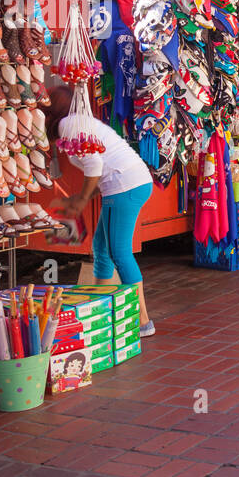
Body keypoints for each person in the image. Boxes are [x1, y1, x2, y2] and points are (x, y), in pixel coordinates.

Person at [45, 86, 157, 336]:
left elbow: (95, 164)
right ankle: (100, 308)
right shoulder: (78, 122)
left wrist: (83, 199)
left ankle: (142, 321)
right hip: (125, 184)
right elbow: (101, 164)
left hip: (124, 186)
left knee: (119, 253)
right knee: (102, 250)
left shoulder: (68, 123)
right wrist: (85, 195)